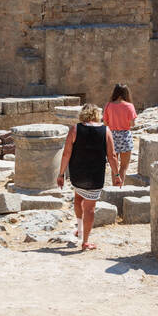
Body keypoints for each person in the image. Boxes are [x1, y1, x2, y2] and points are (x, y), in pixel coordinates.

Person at [56, 104, 121, 251]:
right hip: (95, 175)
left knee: (78, 199)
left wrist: (61, 174)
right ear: (97, 115)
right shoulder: (106, 131)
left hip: (77, 174)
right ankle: (85, 241)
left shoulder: (75, 129)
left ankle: (79, 229)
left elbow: (66, 153)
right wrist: (117, 175)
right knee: (90, 209)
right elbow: (112, 156)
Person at [103, 83, 137, 181]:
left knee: (114, 167)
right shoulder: (129, 106)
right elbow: (132, 124)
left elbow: (105, 123)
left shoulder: (108, 105)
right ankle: (120, 188)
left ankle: (114, 187)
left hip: (111, 136)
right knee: (124, 167)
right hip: (125, 136)